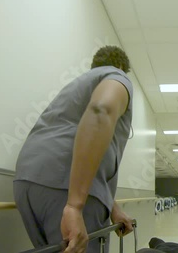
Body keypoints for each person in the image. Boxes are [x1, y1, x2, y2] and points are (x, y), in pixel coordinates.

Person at [13, 45, 134, 253]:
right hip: (65, 189)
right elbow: (101, 110)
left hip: (28, 183)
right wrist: (75, 206)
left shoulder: (77, 87)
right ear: (122, 67)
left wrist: (112, 207)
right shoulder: (116, 76)